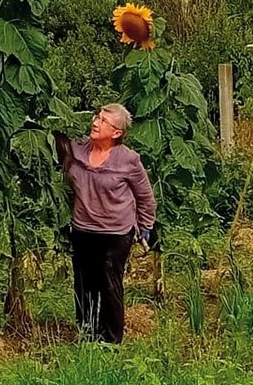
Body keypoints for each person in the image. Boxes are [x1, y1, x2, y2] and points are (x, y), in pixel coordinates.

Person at [55, 103, 156, 344]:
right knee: (84, 285)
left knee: (109, 285)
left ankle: (110, 341)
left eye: (103, 121)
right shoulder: (76, 151)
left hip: (115, 233)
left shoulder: (128, 160)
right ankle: (86, 335)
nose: (95, 122)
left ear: (117, 133)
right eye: (97, 117)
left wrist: (146, 225)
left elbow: (145, 196)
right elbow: (55, 139)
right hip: (83, 230)